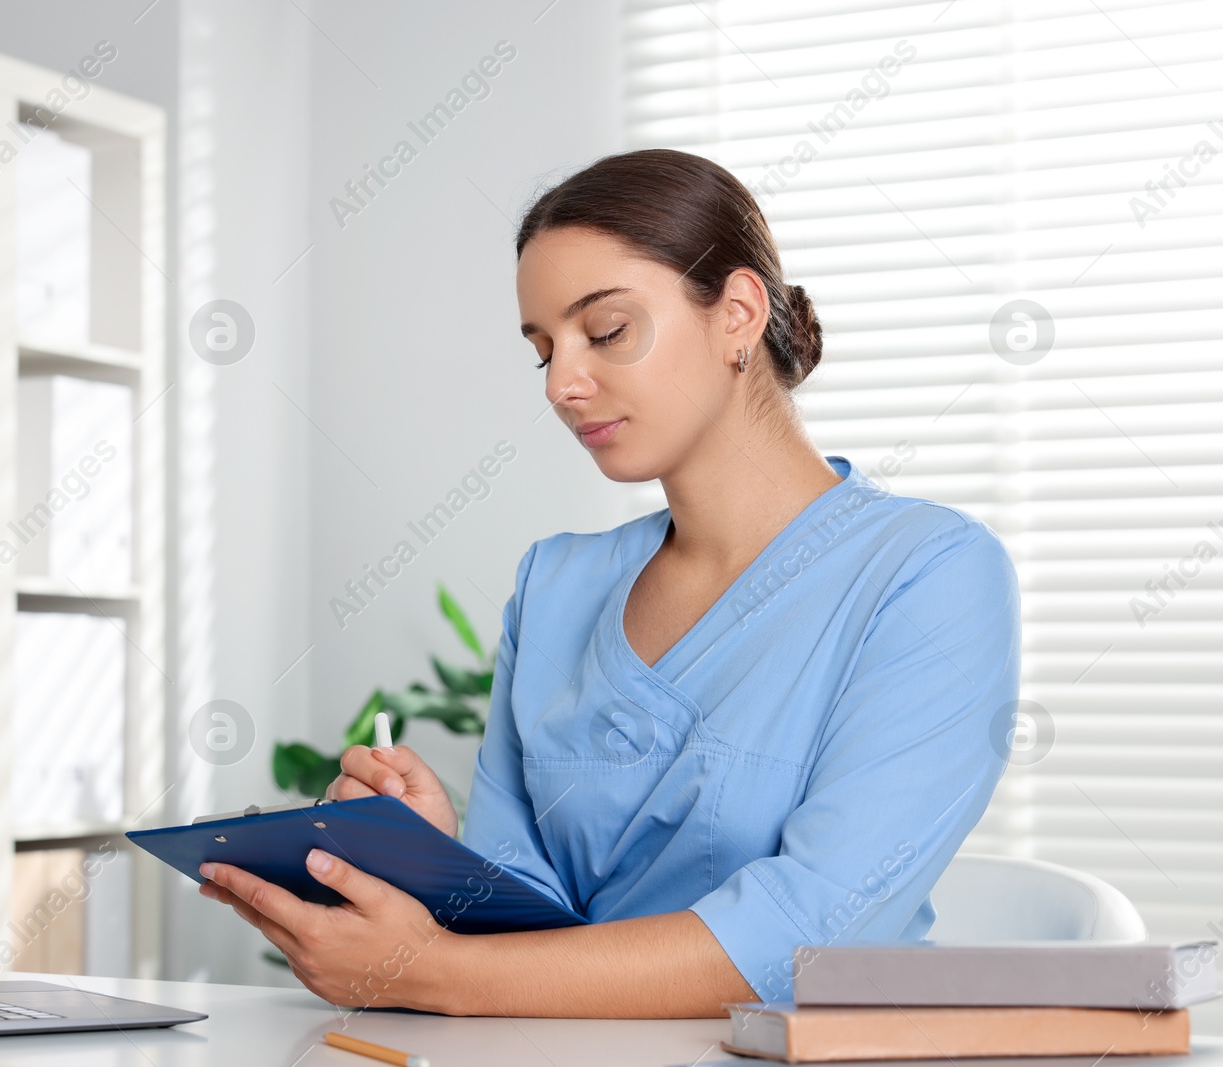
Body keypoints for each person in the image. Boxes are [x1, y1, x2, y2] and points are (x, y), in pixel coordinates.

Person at [197, 149, 1021, 1017]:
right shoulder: (557, 583)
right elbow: (529, 915)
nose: (562, 383)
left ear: (738, 313)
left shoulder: (930, 573)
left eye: (607, 331)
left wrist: (425, 971)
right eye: (542, 350)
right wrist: (438, 860)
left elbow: (812, 930)